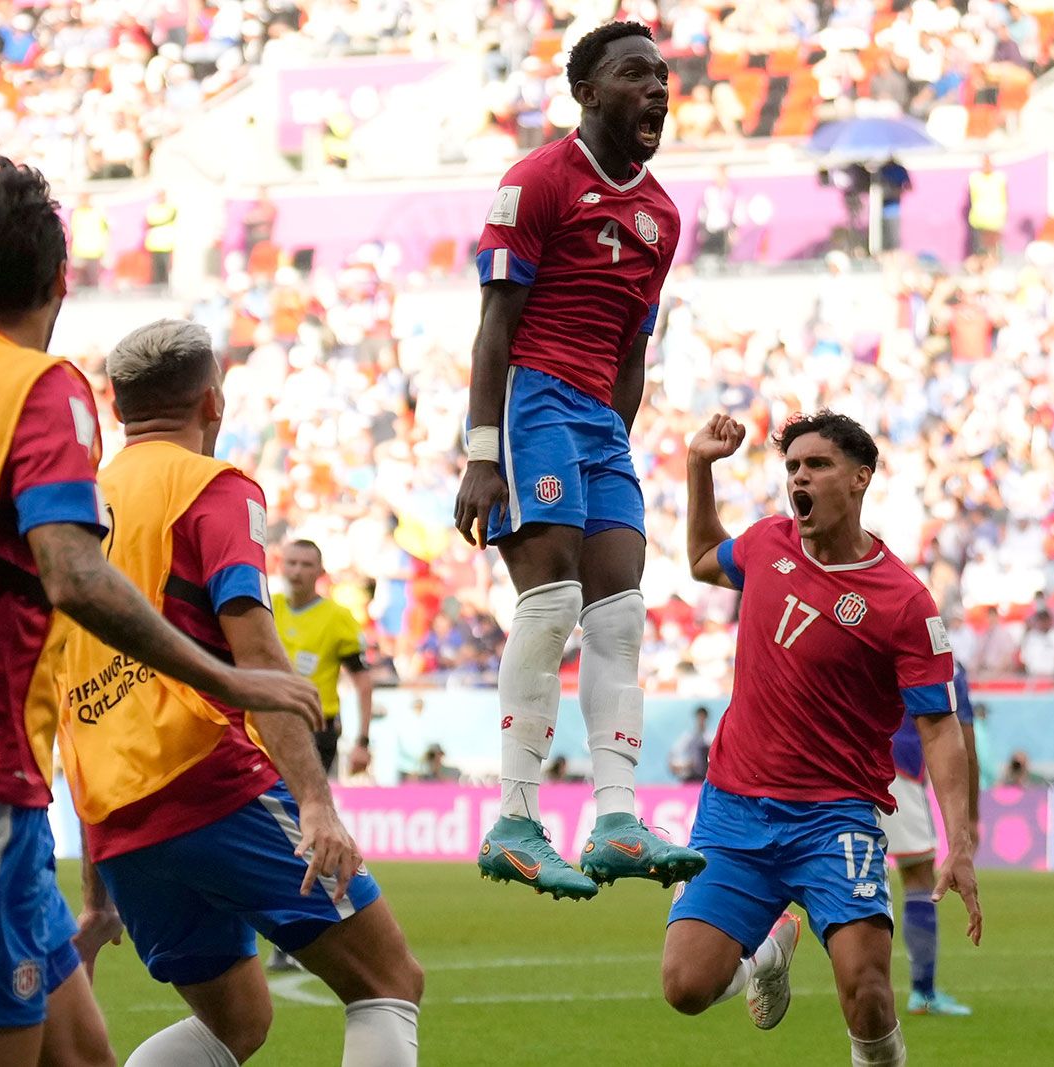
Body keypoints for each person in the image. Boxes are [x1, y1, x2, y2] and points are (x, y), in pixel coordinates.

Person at [0, 158, 318, 1067]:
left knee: (82, 1059)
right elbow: (72, 573)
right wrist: (227, 675)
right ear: (60, 279)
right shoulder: (41, 387)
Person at [62, 318, 423, 1065]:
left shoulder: (78, 506)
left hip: (117, 816)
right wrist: (317, 803)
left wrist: (96, 894)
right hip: (210, 782)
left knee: (237, 1019)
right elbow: (257, 651)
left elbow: (76, 693)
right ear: (213, 403)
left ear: (118, 409)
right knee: (388, 980)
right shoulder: (214, 488)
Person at [454, 19, 704, 899]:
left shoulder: (663, 215)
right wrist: (483, 451)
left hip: (600, 419)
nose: (658, 90)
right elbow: (494, 326)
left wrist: (617, 441)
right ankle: (516, 819)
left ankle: (616, 820)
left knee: (622, 613)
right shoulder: (535, 181)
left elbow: (636, 345)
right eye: (637, 75)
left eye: (664, 78)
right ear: (588, 93)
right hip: (533, 397)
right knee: (554, 595)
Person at [662, 411, 981, 1067]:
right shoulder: (764, 545)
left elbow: (940, 725)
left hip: (835, 817)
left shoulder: (903, 602)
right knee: (686, 988)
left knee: (867, 993)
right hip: (735, 808)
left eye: (817, 465)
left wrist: (962, 841)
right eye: (792, 467)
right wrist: (699, 466)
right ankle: (770, 949)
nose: (799, 477)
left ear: (860, 478)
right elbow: (699, 559)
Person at [884, 663, 981, 1017]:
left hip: (852, 765)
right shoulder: (948, 664)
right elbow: (965, 744)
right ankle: (923, 993)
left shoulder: (877, 639)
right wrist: (971, 816)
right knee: (919, 878)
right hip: (901, 770)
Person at [274, 540, 376, 780]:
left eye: (306, 564)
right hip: (268, 722)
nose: (297, 571)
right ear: (281, 566)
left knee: (304, 806)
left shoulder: (337, 618)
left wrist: (363, 742)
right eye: (292, 563)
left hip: (315, 728)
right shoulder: (267, 607)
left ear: (320, 572)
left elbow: (363, 683)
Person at [967, 155, 1007, 259]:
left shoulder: (999, 177)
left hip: (995, 220)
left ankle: (992, 264)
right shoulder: (975, 178)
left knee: (994, 248)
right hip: (980, 220)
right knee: (981, 250)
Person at [668, 705, 712, 783]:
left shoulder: (710, 739)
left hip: (706, 778)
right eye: (699, 717)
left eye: (703, 717)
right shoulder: (688, 737)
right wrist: (683, 764)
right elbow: (674, 754)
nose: (701, 720)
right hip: (691, 777)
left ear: (706, 719)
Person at [144, 190, 177, 287]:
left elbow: (166, 218)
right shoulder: (152, 208)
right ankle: (155, 291)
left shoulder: (170, 207)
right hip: (154, 245)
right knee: (155, 271)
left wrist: (157, 220)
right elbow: (150, 219)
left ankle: (165, 289)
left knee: (166, 270)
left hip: (166, 244)